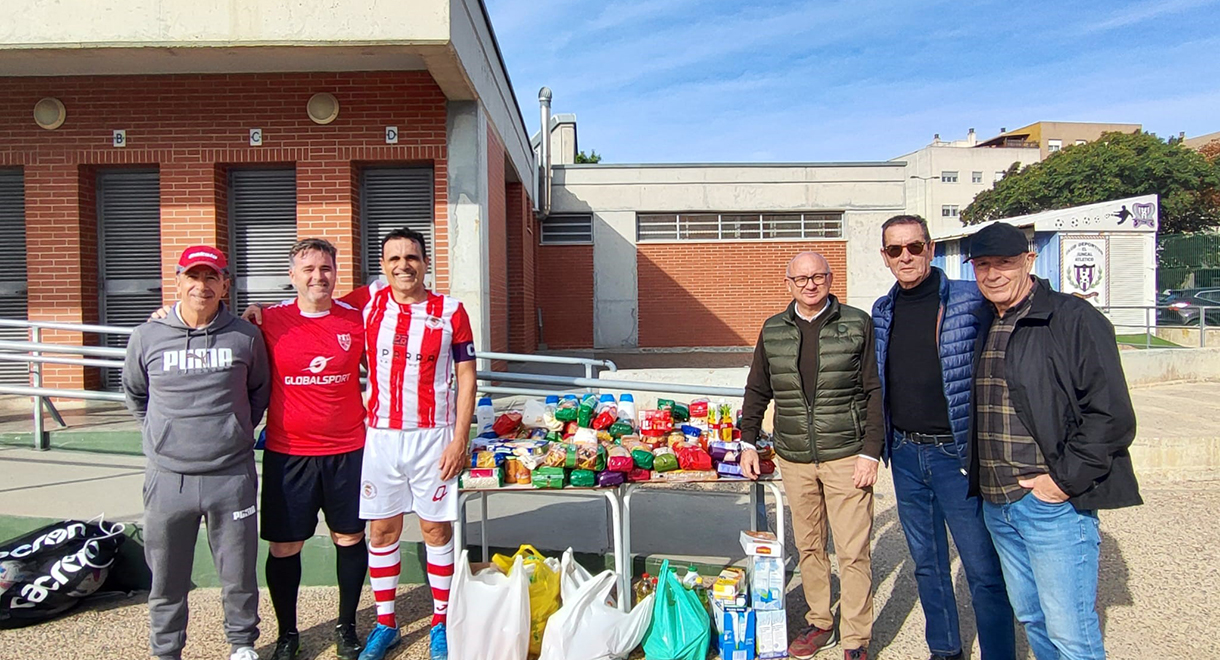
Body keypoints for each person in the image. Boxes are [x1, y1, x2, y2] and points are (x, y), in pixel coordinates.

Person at [966, 222, 1141, 660]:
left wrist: (1061, 483)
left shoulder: (1072, 318)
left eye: (1003, 263)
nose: (992, 274)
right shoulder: (987, 320)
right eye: (982, 265)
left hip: (1050, 507)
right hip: (999, 504)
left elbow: (1112, 416)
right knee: (1034, 620)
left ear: (1029, 260)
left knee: (1071, 635)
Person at [871, 215, 1015, 660]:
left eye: (914, 247)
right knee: (928, 565)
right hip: (906, 453)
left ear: (930, 249)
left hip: (956, 454)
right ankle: (945, 649)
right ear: (885, 257)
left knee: (982, 568)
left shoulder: (971, 298)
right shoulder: (883, 309)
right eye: (896, 250)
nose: (906, 257)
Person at [122, 246, 271, 660]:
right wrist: (164, 435)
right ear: (178, 280)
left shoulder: (245, 335)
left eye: (211, 278)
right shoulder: (146, 336)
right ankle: (166, 650)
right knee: (167, 577)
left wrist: (236, 430)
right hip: (169, 477)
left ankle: (242, 644)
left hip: (231, 476)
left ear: (225, 284)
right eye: (193, 277)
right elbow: (136, 394)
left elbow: (259, 391)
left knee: (238, 572)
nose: (201, 286)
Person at [335, 228, 474, 660]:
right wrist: (260, 312)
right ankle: (386, 623)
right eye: (393, 258)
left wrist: (459, 439)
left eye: (411, 257)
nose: (403, 265)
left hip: (434, 437)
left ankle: (440, 622)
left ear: (426, 262)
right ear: (382, 266)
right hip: (381, 438)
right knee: (381, 530)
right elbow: (313, 305)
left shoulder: (451, 311)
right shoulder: (369, 303)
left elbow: (467, 377)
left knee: (435, 528)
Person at [739, 251, 883, 660]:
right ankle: (820, 621)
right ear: (788, 284)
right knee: (809, 546)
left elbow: (875, 390)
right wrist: (748, 440)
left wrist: (871, 451)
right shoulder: (773, 330)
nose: (810, 285)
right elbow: (757, 389)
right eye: (800, 279)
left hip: (845, 453)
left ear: (830, 279)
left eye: (817, 276)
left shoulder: (856, 323)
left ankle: (856, 637)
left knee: (853, 550)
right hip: (794, 456)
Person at [258, 239, 368, 660]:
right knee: (285, 547)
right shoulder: (268, 320)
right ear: (292, 275)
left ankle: (347, 626)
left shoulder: (355, 320)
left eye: (325, 268)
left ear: (335, 272)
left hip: (348, 449)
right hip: (289, 453)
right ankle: (287, 634)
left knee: (349, 537)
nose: (318, 276)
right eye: (308, 269)